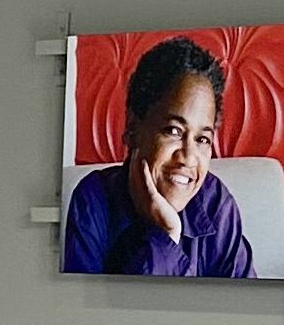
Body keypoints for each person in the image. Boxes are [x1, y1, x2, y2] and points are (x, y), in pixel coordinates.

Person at [64, 37, 254, 277]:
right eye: (173, 131)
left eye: (202, 139)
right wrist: (165, 233)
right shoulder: (93, 199)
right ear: (133, 129)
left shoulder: (217, 204)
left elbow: (242, 309)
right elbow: (90, 311)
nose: (188, 157)